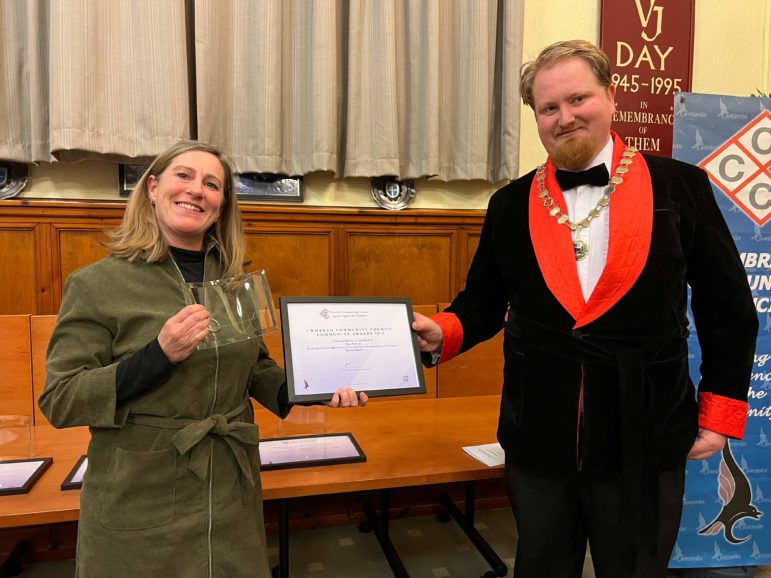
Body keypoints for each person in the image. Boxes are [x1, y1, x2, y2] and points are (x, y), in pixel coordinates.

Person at [412, 40, 758, 578]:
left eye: (578, 99)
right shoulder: (509, 204)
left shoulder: (682, 187)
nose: (565, 117)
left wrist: (719, 414)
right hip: (538, 437)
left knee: (636, 570)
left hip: (645, 428)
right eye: (549, 108)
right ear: (536, 117)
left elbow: (728, 310)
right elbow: (482, 301)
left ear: (611, 97)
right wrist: (444, 330)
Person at [39, 140, 367, 578]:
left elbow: (256, 369)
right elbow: (61, 398)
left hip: (230, 488)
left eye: (212, 184)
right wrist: (159, 355)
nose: (197, 190)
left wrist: (310, 389)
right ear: (152, 188)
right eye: (184, 176)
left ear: (222, 205)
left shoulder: (235, 283)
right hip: (141, 491)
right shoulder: (97, 284)